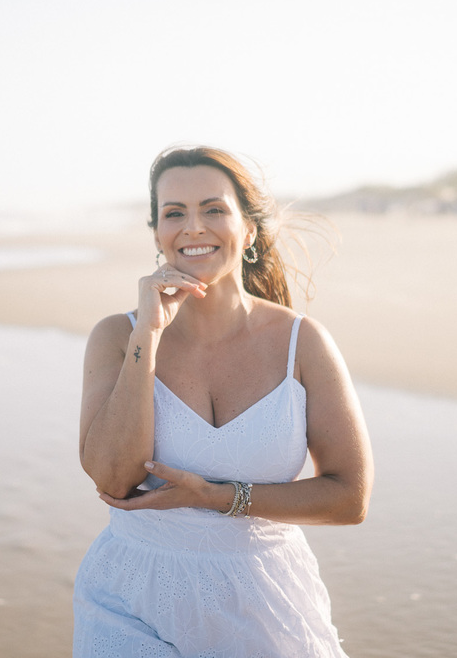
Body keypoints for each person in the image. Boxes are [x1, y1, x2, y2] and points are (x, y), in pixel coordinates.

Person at [73, 146, 374, 657]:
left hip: (263, 600)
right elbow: (111, 477)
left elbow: (349, 498)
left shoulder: (303, 344)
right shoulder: (117, 336)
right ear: (156, 233)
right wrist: (148, 333)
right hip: (130, 597)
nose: (193, 227)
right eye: (174, 213)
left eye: (213, 209)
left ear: (249, 229)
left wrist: (212, 496)